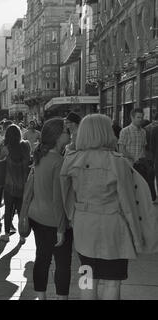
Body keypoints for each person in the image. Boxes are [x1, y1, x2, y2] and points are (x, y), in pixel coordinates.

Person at [60, 114, 153, 300]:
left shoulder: (71, 159)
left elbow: (66, 195)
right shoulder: (118, 162)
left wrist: (73, 217)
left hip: (84, 225)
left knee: (86, 276)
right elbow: (128, 203)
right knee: (112, 281)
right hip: (113, 227)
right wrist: (137, 236)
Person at [27, 118, 73, 300]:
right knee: (62, 265)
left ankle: (41, 296)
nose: (69, 134)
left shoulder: (41, 156)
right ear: (57, 136)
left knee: (42, 259)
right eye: (66, 131)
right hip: (54, 221)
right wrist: (62, 229)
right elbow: (58, 199)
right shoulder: (59, 161)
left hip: (37, 217)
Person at [0, 124, 31, 243]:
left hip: (10, 184)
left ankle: (6, 234)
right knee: (21, 211)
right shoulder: (26, 145)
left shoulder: (7, 148)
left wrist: (1, 146)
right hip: (23, 184)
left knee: (8, 210)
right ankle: (22, 236)